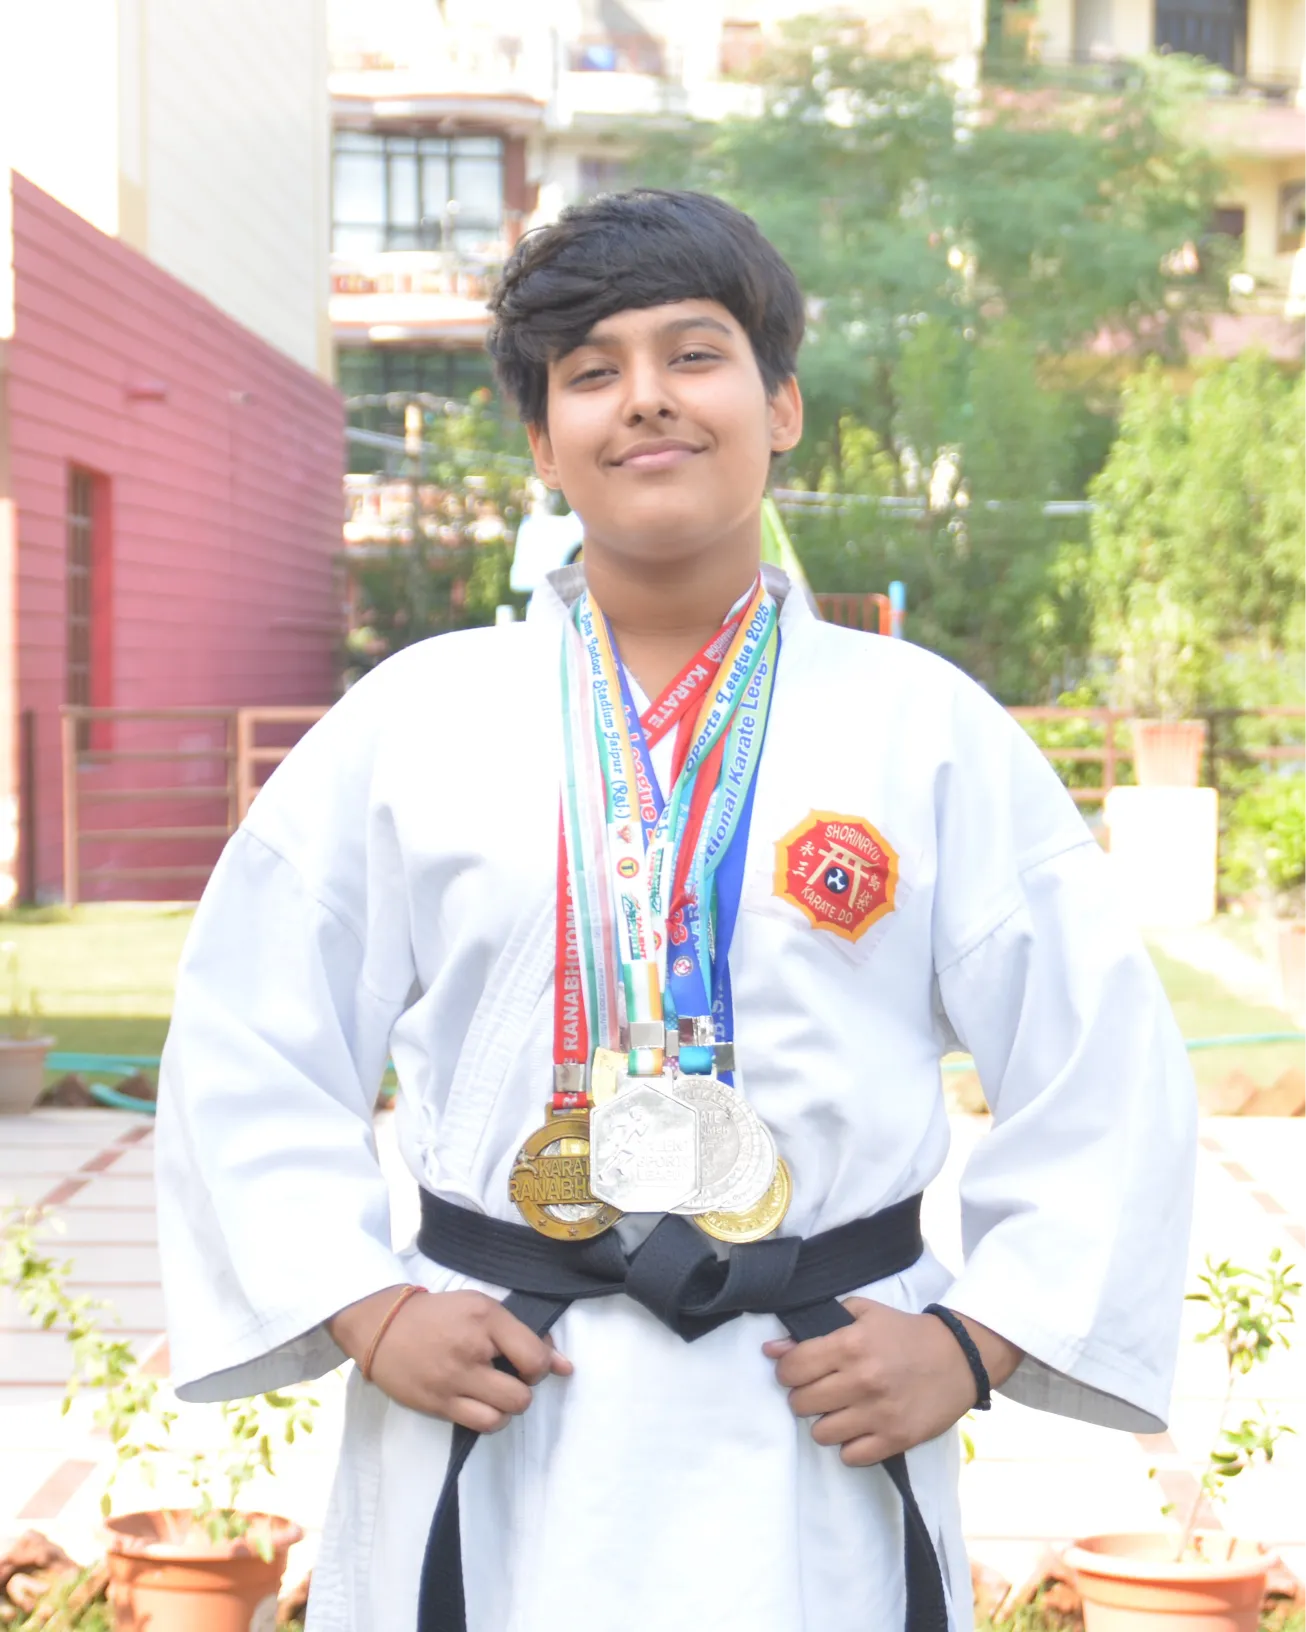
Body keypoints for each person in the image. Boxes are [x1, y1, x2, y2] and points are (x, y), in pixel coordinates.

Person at [155, 190, 1197, 1632]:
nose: (645, 397)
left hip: (813, 1407)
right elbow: (247, 1036)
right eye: (591, 372)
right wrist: (366, 1306)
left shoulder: (924, 729)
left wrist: (974, 1341)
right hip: (498, 1390)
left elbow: (1103, 1063)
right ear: (543, 444)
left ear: (781, 407)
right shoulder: (416, 719)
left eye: (693, 355)